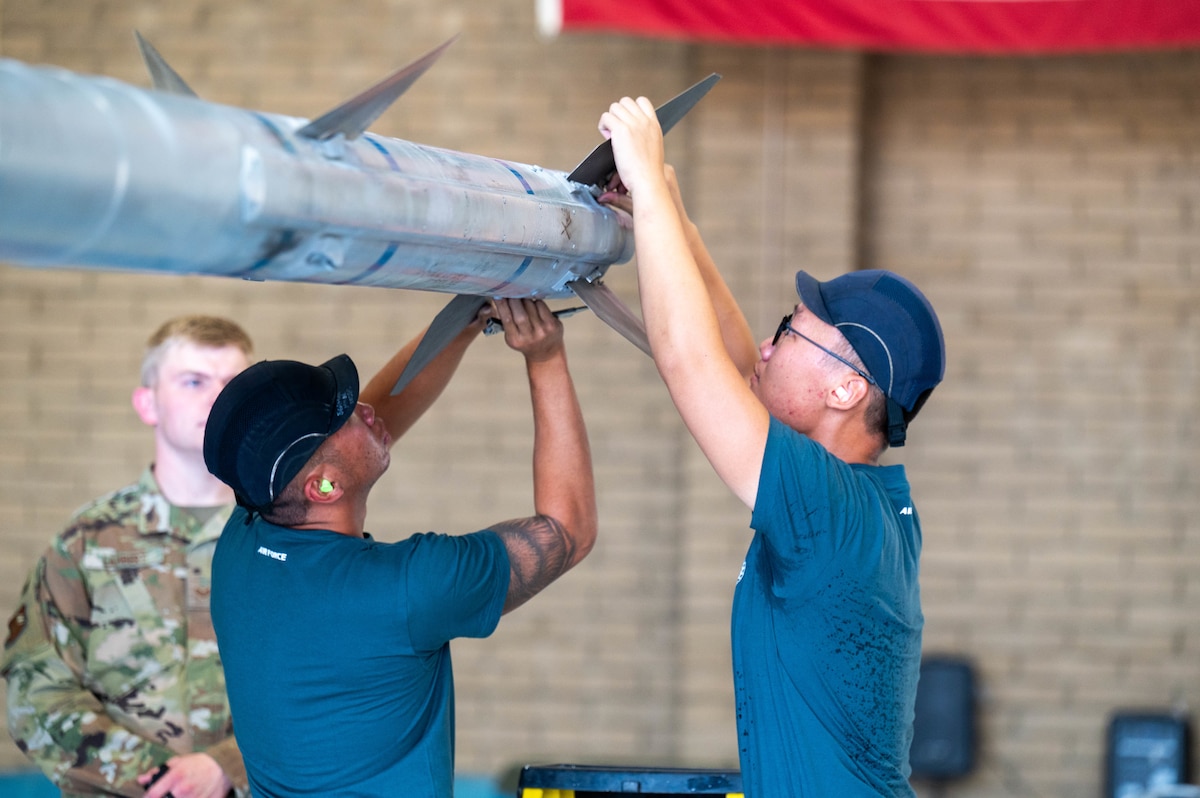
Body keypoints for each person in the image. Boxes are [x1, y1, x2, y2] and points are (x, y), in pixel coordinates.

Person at [597, 98, 947, 796]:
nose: (766, 343)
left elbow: (692, 363)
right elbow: (735, 366)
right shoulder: (864, 504)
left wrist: (647, 178)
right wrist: (674, 220)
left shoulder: (826, 510)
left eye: (790, 330)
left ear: (845, 389)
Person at [202, 298, 596, 797]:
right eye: (346, 416)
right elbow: (569, 530)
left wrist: (463, 323)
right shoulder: (408, 588)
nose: (367, 409)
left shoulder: (241, 543)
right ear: (323, 489)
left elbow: (368, 429)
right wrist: (545, 357)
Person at [2, 315, 255, 798]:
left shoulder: (288, 540)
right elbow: (36, 690)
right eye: (194, 381)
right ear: (147, 403)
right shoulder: (86, 541)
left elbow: (333, 687)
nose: (217, 399)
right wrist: (163, 780)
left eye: (233, 385)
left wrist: (226, 767)